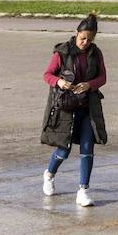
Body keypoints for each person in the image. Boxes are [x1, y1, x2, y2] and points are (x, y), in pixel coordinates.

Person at [41, 12, 108, 207]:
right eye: (82, 38)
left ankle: (83, 191)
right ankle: (49, 174)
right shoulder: (61, 52)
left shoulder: (96, 54)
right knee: (64, 149)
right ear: (76, 34)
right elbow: (47, 75)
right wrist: (59, 81)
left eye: (89, 39)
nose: (85, 42)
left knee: (88, 148)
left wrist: (90, 85)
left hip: (87, 107)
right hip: (65, 108)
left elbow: (103, 77)